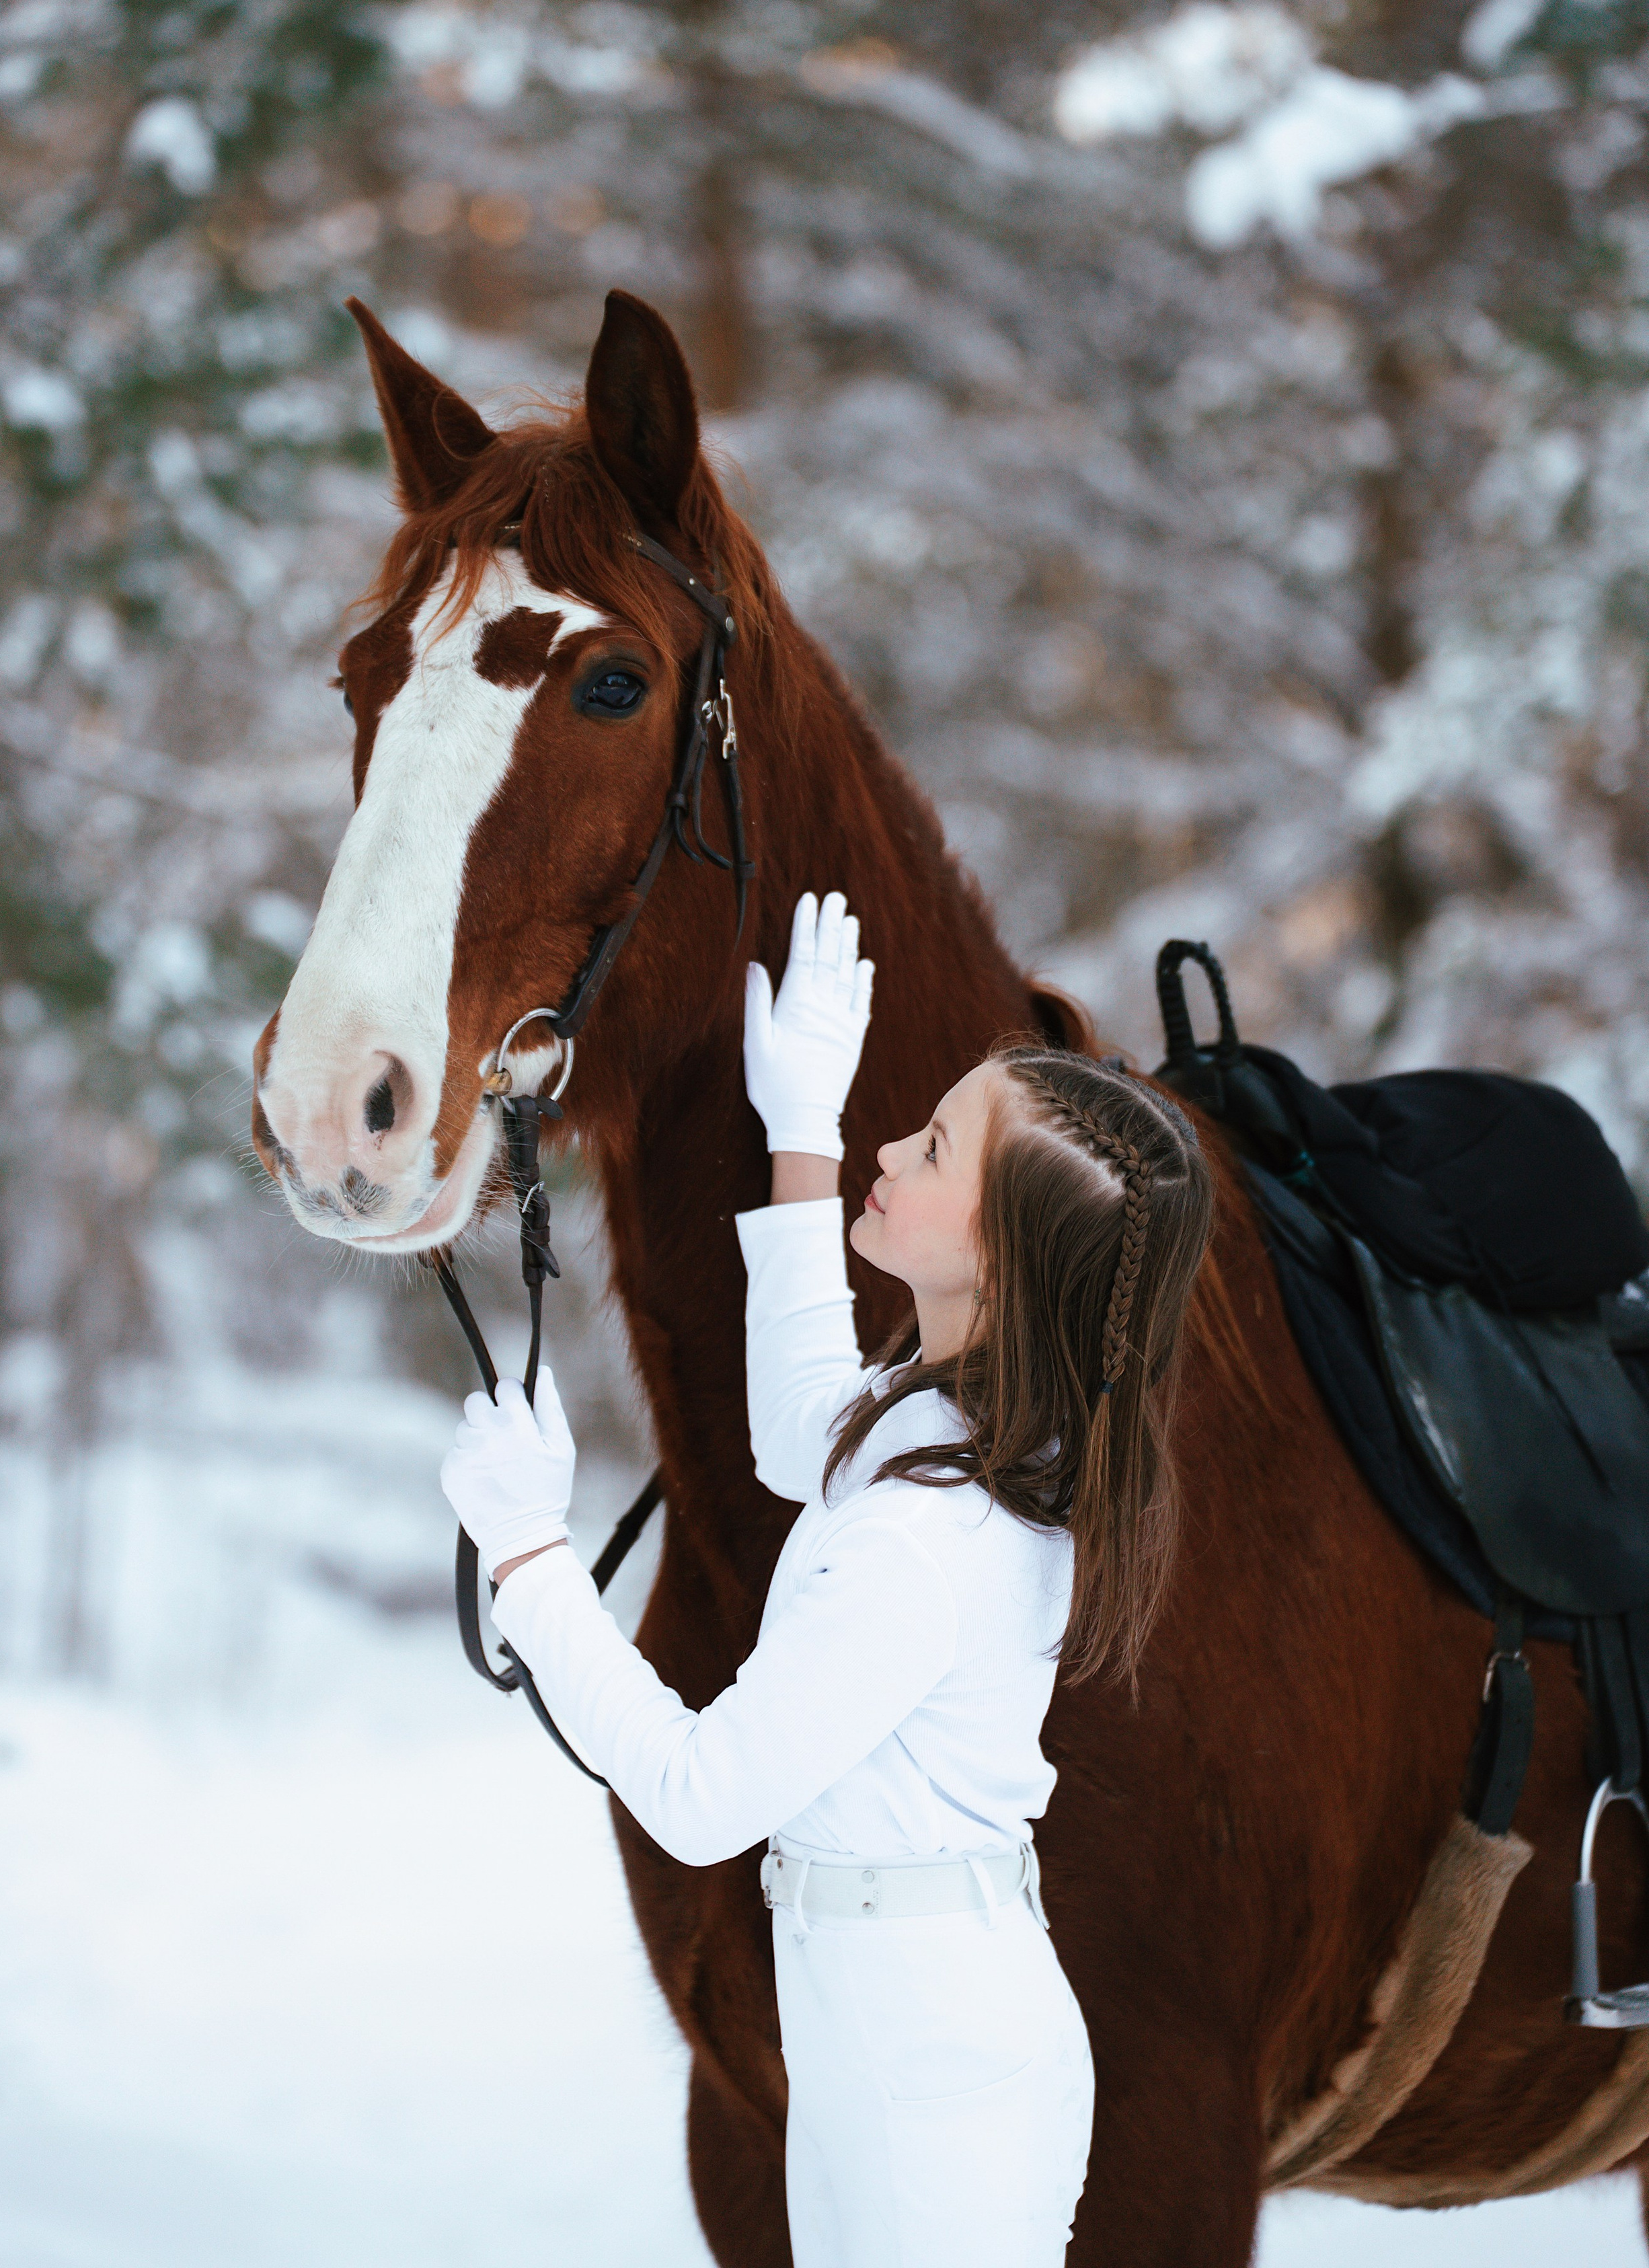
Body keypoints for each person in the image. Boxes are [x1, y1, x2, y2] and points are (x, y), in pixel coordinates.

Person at [440, 891, 1215, 2267]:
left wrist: (528, 1556)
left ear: (995, 1255)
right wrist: (795, 1128)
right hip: (889, 2018)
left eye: (926, 1148)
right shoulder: (954, 1420)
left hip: (928, 2070)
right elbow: (808, 1427)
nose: (886, 1147)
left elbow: (698, 1794)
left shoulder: (936, 1532)